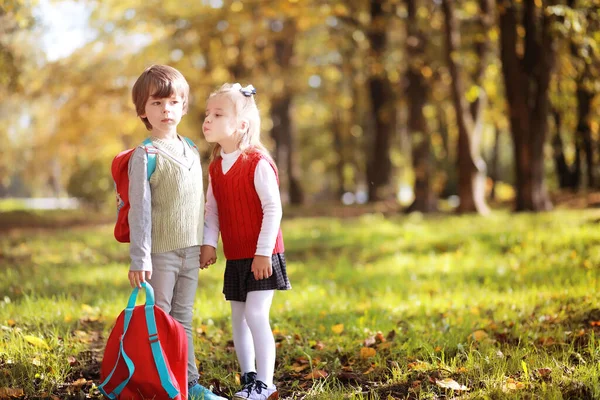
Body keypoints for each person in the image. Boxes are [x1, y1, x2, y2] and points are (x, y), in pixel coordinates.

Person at [128, 64, 226, 400]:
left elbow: (198, 202)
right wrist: (140, 258)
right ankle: (160, 384)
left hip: (189, 250)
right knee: (159, 321)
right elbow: (139, 211)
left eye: (172, 102)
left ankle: (188, 383)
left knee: (183, 318)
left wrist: (204, 243)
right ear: (143, 111)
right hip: (160, 255)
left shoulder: (190, 150)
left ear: (184, 106)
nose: (165, 109)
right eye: (156, 103)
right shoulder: (146, 154)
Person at [200, 83, 291, 400]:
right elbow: (212, 209)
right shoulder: (215, 167)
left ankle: (266, 383)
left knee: (255, 315)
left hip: (263, 256)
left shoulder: (256, 162)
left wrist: (263, 253)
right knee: (238, 317)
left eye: (217, 114)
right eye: (207, 114)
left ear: (241, 124)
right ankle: (249, 376)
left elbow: (273, 209)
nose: (207, 120)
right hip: (237, 255)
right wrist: (209, 243)